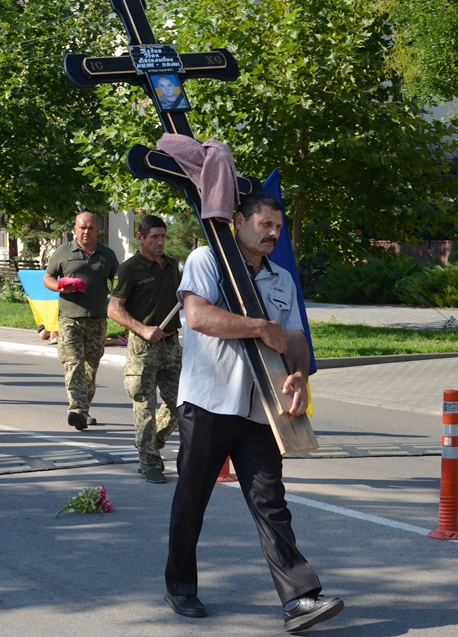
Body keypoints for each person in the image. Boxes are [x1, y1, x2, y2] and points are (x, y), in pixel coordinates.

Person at [164, 193, 343, 632]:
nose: (272, 233)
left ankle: (300, 598)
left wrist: (299, 375)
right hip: (209, 402)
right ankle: (181, 586)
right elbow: (199, 315)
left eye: (278, 228)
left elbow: (296, 335)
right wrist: (260, 327)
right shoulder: (206, 260)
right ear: (239, 220)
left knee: (271, 502)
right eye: (264, 224)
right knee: (192, 499)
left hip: (263, 409)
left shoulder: (281, 277)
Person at [108, 215, 182, 484]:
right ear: (140, 238)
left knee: (180, 404)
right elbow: (114, 309)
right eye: (155, 237)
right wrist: (143, 329)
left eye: (163, 236)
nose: (161, 242)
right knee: (144, 405)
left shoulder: (173, 266)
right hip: (144, 348)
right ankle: (149, 461)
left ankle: (151, 444)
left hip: (172, 344)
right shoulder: (131, 268)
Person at [44, 212, 119, 431]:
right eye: (82, 228)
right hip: (70, 318)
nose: (86, 232)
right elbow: (48, 277)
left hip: (97, 319)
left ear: (98, 230)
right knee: (73, 362)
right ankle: (76, 409)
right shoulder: (63, 251)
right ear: (75, 230)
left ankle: (83, 410)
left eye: (91, 228)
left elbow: (119, 280)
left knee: (90, 369)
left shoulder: (107, 254)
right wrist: (59, 286)